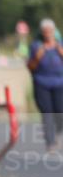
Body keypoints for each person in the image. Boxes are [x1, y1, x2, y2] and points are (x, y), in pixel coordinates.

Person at [28, 18, 63, 149]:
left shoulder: (60, 44)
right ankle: (50, 142)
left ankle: (59, 131)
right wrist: (37, 57)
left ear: (54, 31)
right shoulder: (36, 46)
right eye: (45, 31)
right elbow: (30, 66)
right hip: (42, 83)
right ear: (42, 32)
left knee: (60, 110)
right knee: (47, 112)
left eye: (50, 31)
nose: (48, 33)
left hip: (60, 83)